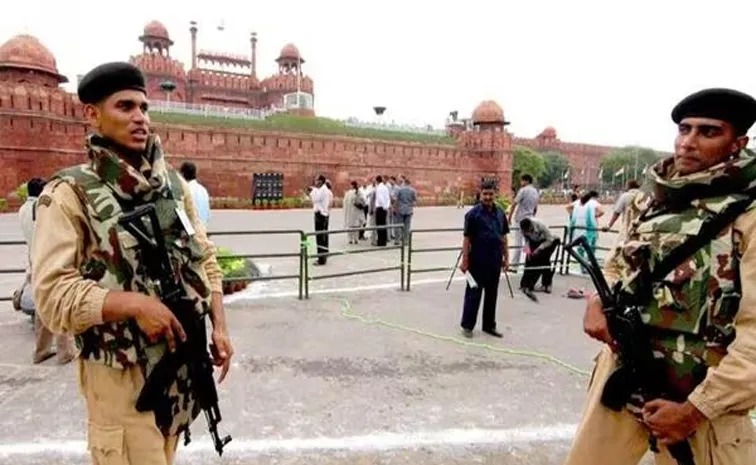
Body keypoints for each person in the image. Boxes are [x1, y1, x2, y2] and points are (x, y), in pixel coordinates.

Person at [30, 62, 233, 465]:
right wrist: (134, 305)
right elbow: (51, 296)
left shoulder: (171, 185)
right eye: (124, 107)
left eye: (144, 107)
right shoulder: (69, 194)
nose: (140, 117)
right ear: (92, 114)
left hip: (178, 368)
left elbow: (204, 256)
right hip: (121, 378)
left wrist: (220, 326)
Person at [563, 88, 756, 464]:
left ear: (738, 143)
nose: (688, 142)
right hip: (625, 375)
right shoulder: (650, 202)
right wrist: (599, 300)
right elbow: (619, 267)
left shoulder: (748, 218)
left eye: (708, 132)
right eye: (684, 129)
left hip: (701, 397)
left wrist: (695, 410)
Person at [14, 177, 76, 364]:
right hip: (49, 259)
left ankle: (41, 350)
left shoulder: (23, 209)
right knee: (60, 303)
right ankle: (65, 352)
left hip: (35, 261)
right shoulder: (43, 208)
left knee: (42, 307)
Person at [459, 180, 509, 338]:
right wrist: (465, 260)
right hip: (477, 260)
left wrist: (506, 257)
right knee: (473, 293)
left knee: (492, 294)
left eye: (490, 194)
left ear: (495, 194)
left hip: (494, 259)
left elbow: (503, 237)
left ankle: (489, 325)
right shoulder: (472, 215)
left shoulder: (500, 213)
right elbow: (467, 239)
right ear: (480, 194)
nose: (488, 197)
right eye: (485, 194)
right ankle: (468, 325)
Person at [518, 217, 560, 301]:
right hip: (534, 242)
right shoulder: (523, 230)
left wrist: (539, 249)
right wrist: (528, 252)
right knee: (529, 260)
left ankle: (547, 284)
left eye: (528, 231)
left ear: (531, 226)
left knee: (544, 261)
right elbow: (526, 241)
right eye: (525, 231)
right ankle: (525, 284)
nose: (527, 232)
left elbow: (549, 240)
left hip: (547, 242)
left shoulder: (541, 226)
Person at [508, 174, 540, 270]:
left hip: (521, 219)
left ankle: (515, 265)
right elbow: (535, 208)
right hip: (530, 218)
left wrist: (509, 217)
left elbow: (514, 204)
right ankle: (528, 262)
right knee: (528, 242)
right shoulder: (535, 191)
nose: (521, 183)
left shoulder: (523, 190)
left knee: (518, 242)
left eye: (522, 181)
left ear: (526, 181)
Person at [179, 161, 210, 227]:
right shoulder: (203, 190)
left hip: (190, 229)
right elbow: (208, 214)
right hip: (203, 228)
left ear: (182, 174)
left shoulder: (184, 191)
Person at [308, 174, 331, 265]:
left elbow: (315, 199)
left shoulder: (323, 190)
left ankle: (321, 259)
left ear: (320, 181)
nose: (315, 182)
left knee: (320, 238)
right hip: (321, 215)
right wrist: (314, 190)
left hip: (321, 215)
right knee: (322, 238)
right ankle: (323, 256)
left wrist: (312, 190)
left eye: (316, 180)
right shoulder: (321, 189)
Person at [393, 176, 417, 245]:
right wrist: (410, 205)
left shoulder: (399, 190)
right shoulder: (413, 190)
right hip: (409, 210)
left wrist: (394, 208)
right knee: (407, 226)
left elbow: (395, 199)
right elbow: (415, 201)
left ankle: (397, 240)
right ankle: (406, 240)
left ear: (405, 182)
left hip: (400, 210)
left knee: (399, 225)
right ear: (409, 183)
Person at [373, 175, 391, 246]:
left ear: (377, 181)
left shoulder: (379, 188)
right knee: (384, 225)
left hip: (380, 208)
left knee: (379, 225)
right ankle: (384, 241)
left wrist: (383, 206)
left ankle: (380, 241)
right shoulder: (385, 187)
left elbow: (380, 198)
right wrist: (386, 206)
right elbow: (388, 198)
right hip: (385, 208)